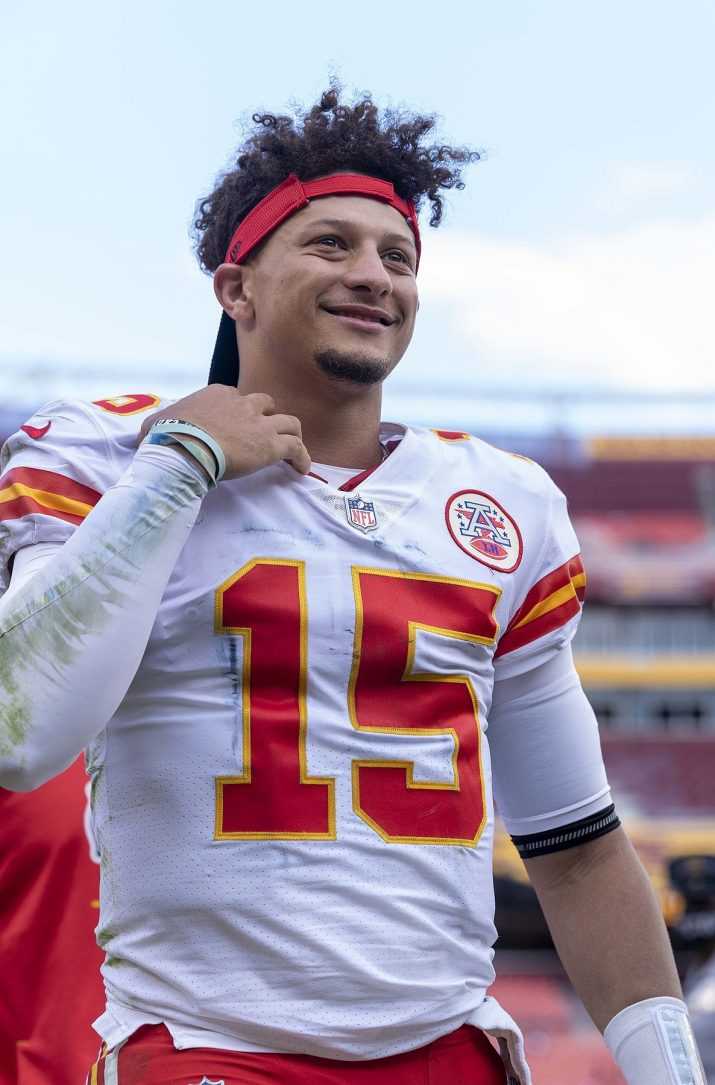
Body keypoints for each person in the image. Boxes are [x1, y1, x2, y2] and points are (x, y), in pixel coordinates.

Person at [0, 85, 706, 1085]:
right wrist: (178, 466)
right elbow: (21, 733)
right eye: (330, 244)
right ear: (236, 287)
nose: (373, 274)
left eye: (397, 256)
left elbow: (580, 848)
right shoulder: (109, 453)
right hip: (210, 1047)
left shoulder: (500, 503)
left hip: (451, 1049)